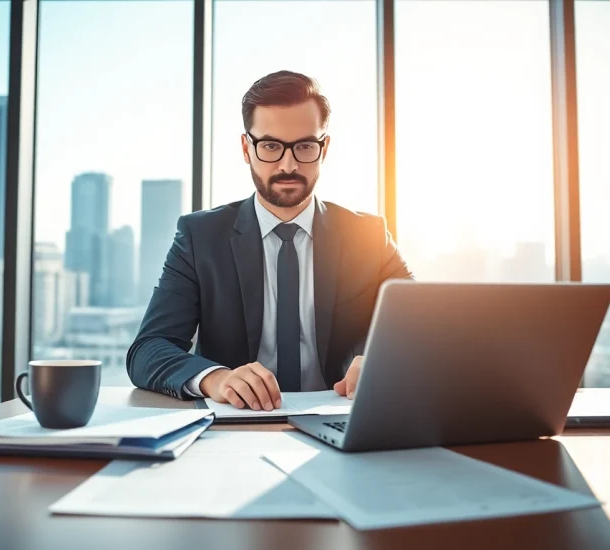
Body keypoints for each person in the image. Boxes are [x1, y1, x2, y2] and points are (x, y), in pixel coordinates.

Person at [126, 70, 413, 410]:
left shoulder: (368, 237)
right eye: (271, 146)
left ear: (324, 148)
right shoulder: (199, 237)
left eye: (305, 146)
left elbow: (423, 329)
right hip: (237, 423)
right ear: (246, 148)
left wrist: (387, 360)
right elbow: (148, 349)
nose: (288, 165)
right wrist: (215, 379)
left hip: (342, 418)